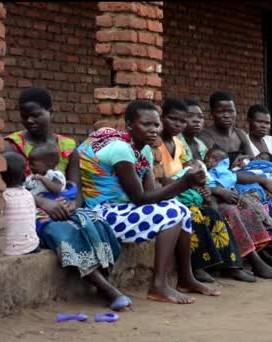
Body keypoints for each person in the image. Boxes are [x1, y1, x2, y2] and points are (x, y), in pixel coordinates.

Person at [78, 100, 220, 304]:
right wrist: (185, 182)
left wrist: (184, 185)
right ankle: (158, 285)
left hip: (124, 209)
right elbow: (140, 197)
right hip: (103, 213)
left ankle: (186, 278)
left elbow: (152, 193)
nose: (153, 130)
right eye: (146, 125)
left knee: (181, 209)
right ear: (129, 126)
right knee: (172, 213)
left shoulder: (143, 149)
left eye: (156, 125)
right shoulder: (121, 149)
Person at [4, 87, 129, 311]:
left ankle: (105, 275)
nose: (29, 120)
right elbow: (11, 187)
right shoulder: (12, 145)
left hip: (63, 205)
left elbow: (76, 187)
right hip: (30, 207)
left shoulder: (68, 147)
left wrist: (74, 204)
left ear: (52, 112)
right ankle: (106, 289)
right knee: (60, 233)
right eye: (24, 115)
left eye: (36, 114)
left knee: (94, 222)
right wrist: (42, 202)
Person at [153, 98, 256, 283]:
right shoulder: (155, 143)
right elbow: (159, 177)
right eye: (172, 119)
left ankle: (231, 264)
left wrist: (201, 186)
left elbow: (187, 168)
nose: (178, 124)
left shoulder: (178, 143)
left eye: (182, 120)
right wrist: (188, 183)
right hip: (166, 194)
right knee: (194, 215)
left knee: (213, 214)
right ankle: (197, 268)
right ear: (162, 118)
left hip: (183, 190)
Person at [198, 91, 255, 165]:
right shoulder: (205, 137)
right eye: (220, 112)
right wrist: (235, 161)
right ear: (211, 113)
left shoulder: (240, 134)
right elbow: (211, 166)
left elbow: (252, 160)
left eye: (231, 111)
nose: (226, 116)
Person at [1, 152, 40, 256]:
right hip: (32, 247)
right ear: (23, 176)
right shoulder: (29, 195)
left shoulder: (2, 197)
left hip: (8, 250)